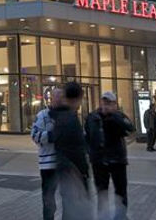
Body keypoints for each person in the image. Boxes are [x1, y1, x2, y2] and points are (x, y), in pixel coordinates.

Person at [86, 91, 135, 220]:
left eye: (109, 103)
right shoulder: (92, 117)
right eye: (104, 102)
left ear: (115, 104)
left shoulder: (119, 116)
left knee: (120, 191)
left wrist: (114, 115)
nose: (106, 105)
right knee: (101, 192)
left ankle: (121, 216)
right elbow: (87, 136)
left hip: (117, 160)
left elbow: (130, 129)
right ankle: (103, 216)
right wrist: (90, 152)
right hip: (99, 161)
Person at [51, 82, 92, 220]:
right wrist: (74, 173)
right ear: (77, 98)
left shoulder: (67, 116)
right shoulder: (67, 119)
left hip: (74, 177)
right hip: (74, 178)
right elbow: (62, 149)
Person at [31, 86, 63, 220]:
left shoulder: (67, 115)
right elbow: (34, 135)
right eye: (57, 98)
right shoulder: (42, 115)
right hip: (48, 164)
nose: (60, 101)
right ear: (52, 99)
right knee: (49, 199)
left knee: (68, 197)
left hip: (64, 163)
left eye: (62, 98)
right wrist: (51, 136)